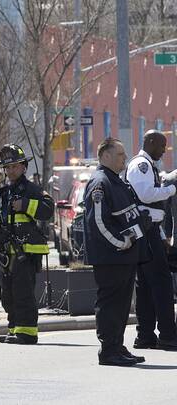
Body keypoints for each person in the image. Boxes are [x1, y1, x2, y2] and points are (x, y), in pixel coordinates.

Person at [84, 138, 147, 366]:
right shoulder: (100, 183)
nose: (124, 159)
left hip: (124, 256)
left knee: (121, 305)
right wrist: (121, 242)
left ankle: (117, 346)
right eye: (120, 154)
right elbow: (99, 222)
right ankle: (109, 350)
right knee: (111, 304)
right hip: (111, 256)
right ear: (106, 156)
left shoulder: (116, 181)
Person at [0, 144, 54, 345]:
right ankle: (14, 328)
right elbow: (2, 215)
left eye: (14, 166)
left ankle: (27, 333)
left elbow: (48, 210)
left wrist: (25, 205)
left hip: (26, 250)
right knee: (7, 294)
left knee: (23, 292)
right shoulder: (4, 192)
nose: (10, 171)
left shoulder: (32, 190)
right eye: (6, 168)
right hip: (5, 251)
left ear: (24, 166)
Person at [125, 129, 177, 351]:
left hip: (150, 231)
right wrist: (172, 189)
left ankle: (145, 336)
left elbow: (153, 209)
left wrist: (163, 236)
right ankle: (167, 335)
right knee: (162, 284)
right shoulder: (141, 165)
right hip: (146, 233)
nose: (164, 150)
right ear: (151, 142)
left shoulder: (148, 166)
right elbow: (146, 195)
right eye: (162, 145)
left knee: (146, 286)